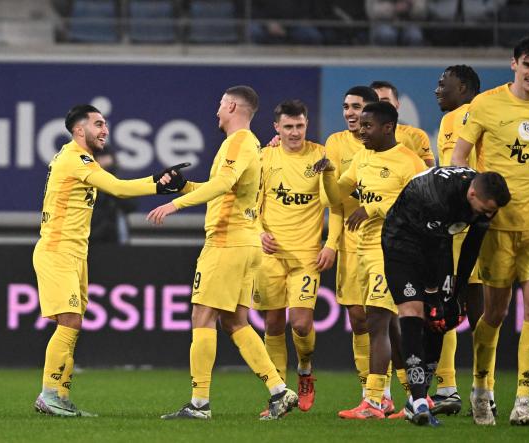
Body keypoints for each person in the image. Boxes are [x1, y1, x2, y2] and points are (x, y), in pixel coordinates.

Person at [148, 85, 298, 421]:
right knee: (235, 322)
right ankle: (279, 391)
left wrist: (176, 203)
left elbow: (223, 183)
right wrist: (184, 186)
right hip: (244, 243)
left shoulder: (239, 141)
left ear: (231, 106)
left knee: (202, 316)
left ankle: (199, 403)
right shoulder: (247, 145)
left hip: (227, 242)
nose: (216, 111)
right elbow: (223, 187)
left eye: (219, 104)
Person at [33, 104, 188, 417]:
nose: (105, 130)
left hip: (74, 251)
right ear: (80, 129)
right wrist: (158, 184)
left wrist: (155, 182)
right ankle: (48, 394)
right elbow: (117, 188)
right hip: (58, 249)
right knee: (69, 322)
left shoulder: (77, 157)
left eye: (105, 124)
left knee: (71, 323)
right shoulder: (75, 159)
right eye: (98, 124)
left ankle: (60, 396)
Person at [452, 35, 529, 426]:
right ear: (514, 64)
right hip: (497, 227)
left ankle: (523, 401)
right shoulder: (486, 104)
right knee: (495, 313)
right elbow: (460, 158)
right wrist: (470, 203)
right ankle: (482, 390)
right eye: (528, 65)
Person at [318, 101, 427, 419]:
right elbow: (334, 197)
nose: (360, 131)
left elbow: (420, 207)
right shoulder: (363, 157)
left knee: (376, 321)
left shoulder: (410, 163)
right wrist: (327, 174)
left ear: (388, 127)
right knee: (391, 326)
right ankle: (415, 396)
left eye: (367, 126)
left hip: (392, 251)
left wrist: (375, 208)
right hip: (363, 251)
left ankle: (375, 401)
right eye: (359, 125)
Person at [382, 166, 511, 426]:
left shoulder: (483, 199)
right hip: (401, 242)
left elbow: (471, 246)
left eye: (492, 211)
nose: (488, 214)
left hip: (437, 244)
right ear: (472, 193)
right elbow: (433, 248)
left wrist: (458, 292)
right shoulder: (438, 196)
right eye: (485, 210)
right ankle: (417, 399)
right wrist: (434, 294)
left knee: (440, 320)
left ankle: (417, 401)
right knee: (413, 311)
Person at [253, 100, 335, 416]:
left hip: (306, 256)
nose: (294, 132)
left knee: (300, 324)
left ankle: (304, 369)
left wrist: (331, 243)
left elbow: (334, 204)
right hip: (270, 255)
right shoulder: (264, 157)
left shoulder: (320, 156)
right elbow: (251, 203)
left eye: (299, 126)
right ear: (277, 128)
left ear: (306, 124)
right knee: (273, 323)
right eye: (288, 127)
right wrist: (259, 232)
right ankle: (278, 394)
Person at [430, 64, 483, 416]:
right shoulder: (465, 117)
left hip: (462, 226)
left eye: (442, 84)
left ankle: (456, 387)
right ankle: (476, 387)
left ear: (462, 88)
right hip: (476, 222)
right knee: (470, 307)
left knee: (452, 303)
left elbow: (456, 172)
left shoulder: (462, 117)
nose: (437, 90)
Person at [370, 80, 436, 167]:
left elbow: (430, 173)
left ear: (397, 105)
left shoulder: (416, 135)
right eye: (375, 102)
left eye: (385, 102)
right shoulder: (358, 137)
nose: (380, 107)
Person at [90, 149, 136, 244]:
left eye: (106, 158)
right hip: (92, 238)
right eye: (100, 158)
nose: (104, 161)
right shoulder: (87, 184)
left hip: (116, 238)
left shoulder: (119, 182)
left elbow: (132, 205)